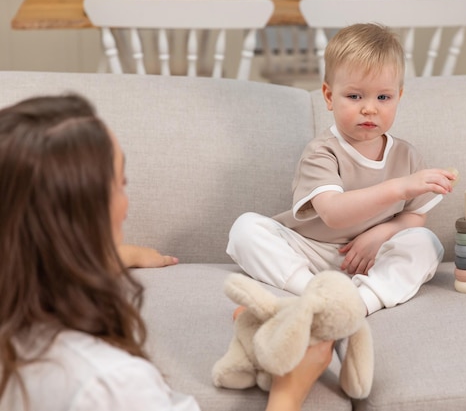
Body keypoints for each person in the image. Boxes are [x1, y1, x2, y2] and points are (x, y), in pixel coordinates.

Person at [0, 94, 333, 411]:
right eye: (121, 184)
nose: (126, 204)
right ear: (84, 215)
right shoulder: (110, 383)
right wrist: (290, 389)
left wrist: (114, 254)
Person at [227, 23, 456, 316]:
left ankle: (362, 303)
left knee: (426, 243)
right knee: (245, 229)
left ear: (398, 96)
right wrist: (400, 187)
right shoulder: (322, 151)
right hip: (312, 251)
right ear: (328, 96)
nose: (369, 109)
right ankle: (315, 294)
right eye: (355, 96)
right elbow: (334, 213)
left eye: (383, 97)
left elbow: (414, 215)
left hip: (371, 256)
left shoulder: (405, 155)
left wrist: (384, 232)